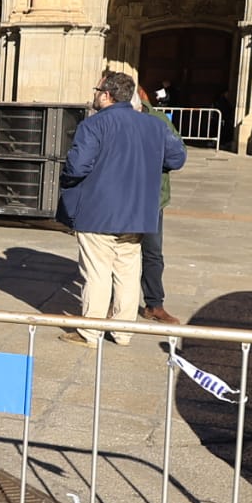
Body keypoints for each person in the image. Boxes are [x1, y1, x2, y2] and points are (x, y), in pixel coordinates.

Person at [57, 70, 186, 347]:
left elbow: (77, 167)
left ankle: (90, 332)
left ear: (106, 95)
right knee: (128, 270)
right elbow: (177, 157)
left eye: (97, 90)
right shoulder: (153, 125)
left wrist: (66, 180)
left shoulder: (94, 125)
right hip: (138, 211)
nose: (94, 94)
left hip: (98, 211)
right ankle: (123, 331)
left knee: (98, 272)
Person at [135, 87, 181, 326]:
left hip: (152, 197)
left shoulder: (158, 120)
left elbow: (177, 156)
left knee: (152, 252)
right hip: (121, 197)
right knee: (119, 253)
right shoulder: (111, 117)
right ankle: (116, 303)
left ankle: (154, 304)